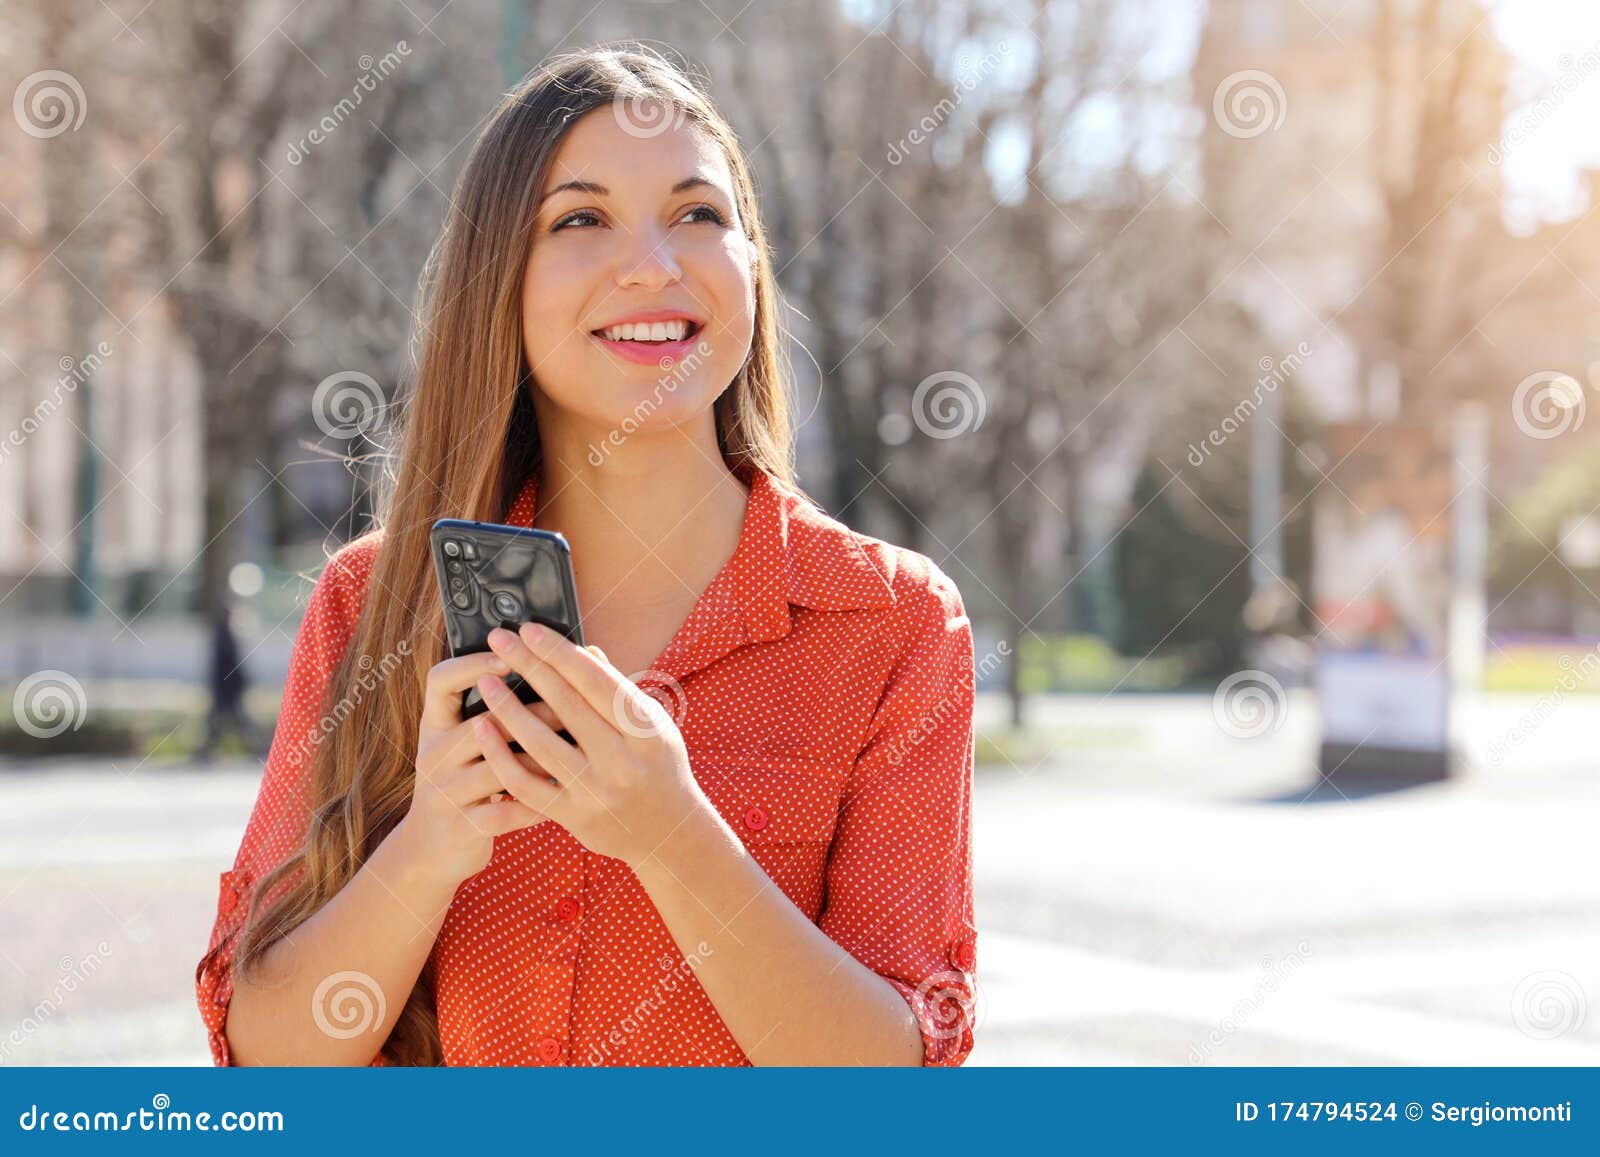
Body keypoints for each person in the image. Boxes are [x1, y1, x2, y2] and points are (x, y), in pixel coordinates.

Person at [194, 43, 976, 1067]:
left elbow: (898, 1080)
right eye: (580, 218)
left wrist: (671, 836)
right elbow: (266, 1056)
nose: (653, 263)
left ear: (752, 263)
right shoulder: (370, 606)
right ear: (498, 282)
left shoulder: (892, 623)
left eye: (699, 213)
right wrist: (430, 840)